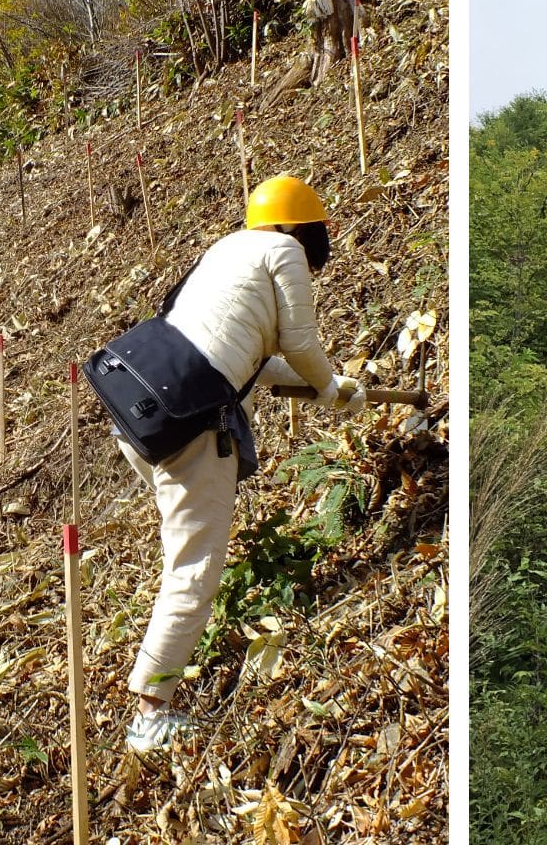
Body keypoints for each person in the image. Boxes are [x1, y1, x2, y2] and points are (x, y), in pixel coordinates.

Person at [119, 175, 367, 752]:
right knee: (194, 569)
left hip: (138, 406)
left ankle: (158, 673)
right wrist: (330, 387)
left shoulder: (228, 249)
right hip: (190, 424)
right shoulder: (285, 252)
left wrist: (331, 384)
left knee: (186, 553)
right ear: (302, 229)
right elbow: (300, 343)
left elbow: (251, 357)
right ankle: (150, 714)